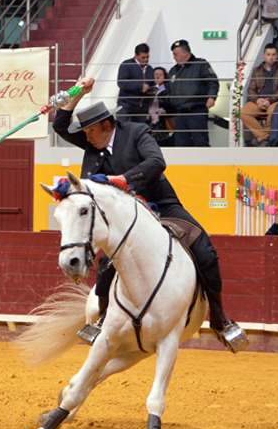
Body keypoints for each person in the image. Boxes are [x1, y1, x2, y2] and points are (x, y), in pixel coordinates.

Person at [52, 76, 246, 352]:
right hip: (125, 219)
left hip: (161, 204)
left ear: (106, 125)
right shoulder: (91, 144)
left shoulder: (135, 132)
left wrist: (123, 179)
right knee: (107, 263)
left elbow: (157, 162)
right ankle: (103, 318)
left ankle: (219, 319)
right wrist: (79, 93)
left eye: (90, 131)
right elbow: (60, 124)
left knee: (204, 251)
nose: (86, 136)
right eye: (84, 133)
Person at [166, 39, 219, 147]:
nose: (174, 57)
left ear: (184, 53)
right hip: (180, 112)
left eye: (175, 54)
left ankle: (204, 164)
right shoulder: (173, 70)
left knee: (200, 141)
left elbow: (212, 82)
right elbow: (168, 89)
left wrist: (211, 97)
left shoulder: (200, 64)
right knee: (181, 143)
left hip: (196, 110)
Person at [240, 43, 278, 147]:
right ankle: (265, 137)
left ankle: (264, 139)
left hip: (275, 100)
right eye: (268, 54)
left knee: (273, 112)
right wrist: (257, 100)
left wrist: (270, 100)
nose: (271, 57)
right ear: (264, 55)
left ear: (277, 55)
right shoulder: (257, 70)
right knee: (243, 112)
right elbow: (251, 89)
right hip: (259, 100)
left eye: (273, 55)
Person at [116, 43, 154, 124]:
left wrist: (153, 90)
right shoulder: (127, 65)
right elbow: (121, 82)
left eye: (147, 57)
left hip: (142, 108)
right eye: (143, 57)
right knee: (121, 128)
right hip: (126, 104)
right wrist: (140, 86)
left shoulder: (150, 69)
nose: (146, 60)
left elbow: (152, 84)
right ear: (136, 55)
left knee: (139, 132)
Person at [147, 66, 174, 146]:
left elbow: (172, 105)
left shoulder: (168, 91)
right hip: (149, 121)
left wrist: (166, 110)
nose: (157, 77)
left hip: (161, 121)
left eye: (160, 75)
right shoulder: (148, 91)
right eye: (155, 74)